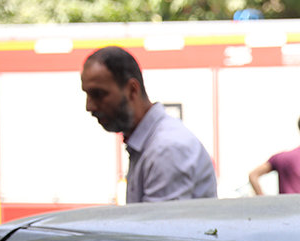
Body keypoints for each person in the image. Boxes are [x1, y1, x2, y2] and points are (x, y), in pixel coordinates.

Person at [80, 46, 216, 203]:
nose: (89, 106)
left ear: (132, 90)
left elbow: (158, 225)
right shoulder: (150, 143)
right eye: (88, 94)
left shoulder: (165, 149)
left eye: (98, 94)